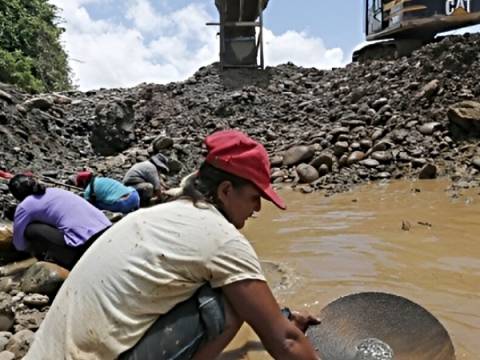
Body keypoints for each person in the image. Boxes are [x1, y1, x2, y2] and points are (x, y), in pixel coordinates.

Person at [25, 130, 319, 360]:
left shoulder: (158, 215)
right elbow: (286, 343)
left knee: (220, 287)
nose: (257, 209)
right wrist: (284, 328)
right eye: (255, 198)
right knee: (229, 301)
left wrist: (284, 317)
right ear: (226, 190)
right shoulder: (221, 238)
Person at [8, 175, 111, 270]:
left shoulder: (25, 206)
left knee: (30, 229)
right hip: (107, 230)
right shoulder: (54, 190)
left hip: (85, 243)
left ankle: (64, 259)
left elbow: (19, 245)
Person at [75, 171, 140, 214]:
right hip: (134, 197)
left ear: (83, 182)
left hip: (122, 205)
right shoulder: (102, 179)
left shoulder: (88, 190)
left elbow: (87, 205)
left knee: (95, 204)